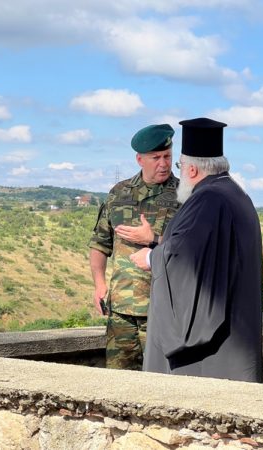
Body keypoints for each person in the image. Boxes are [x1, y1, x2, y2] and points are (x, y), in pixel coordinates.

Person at [130, 117, 263, 381]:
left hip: (217, 350)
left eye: (179, 165)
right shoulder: (234, 192)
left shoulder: (209, 199)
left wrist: (152, 257)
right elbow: (205, 249)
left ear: (191, 170)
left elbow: (186, 258)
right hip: (237, 326)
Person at [89, 124, 180, 370]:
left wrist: (154, 238)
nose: (163, 164)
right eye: (156, 158)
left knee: (161, 380)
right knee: (119, 381)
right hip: (121, 311)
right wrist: (99, 284)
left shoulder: (184, 195)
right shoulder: (119, 193)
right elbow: (100, 243)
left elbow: (192, 248)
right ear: (140, 159)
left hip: (162, 310)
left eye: (167, 156)